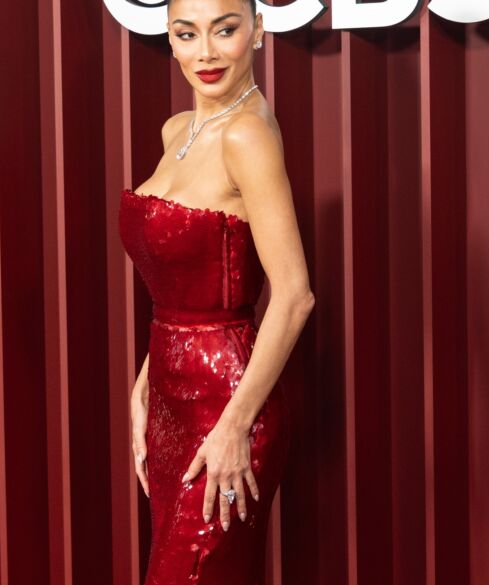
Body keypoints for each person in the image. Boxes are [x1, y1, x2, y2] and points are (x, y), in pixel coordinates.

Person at [118, 0, 315, 582]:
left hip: (227, 402)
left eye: (225, 30)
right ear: (170, 39)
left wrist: (234, 426)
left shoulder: (247, 135)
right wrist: (148, 378)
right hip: (170, 398)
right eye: (187, 34)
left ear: (257, 30)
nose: (205, 52)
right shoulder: (177, 129)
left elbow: (295, 294)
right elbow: (185, 283)